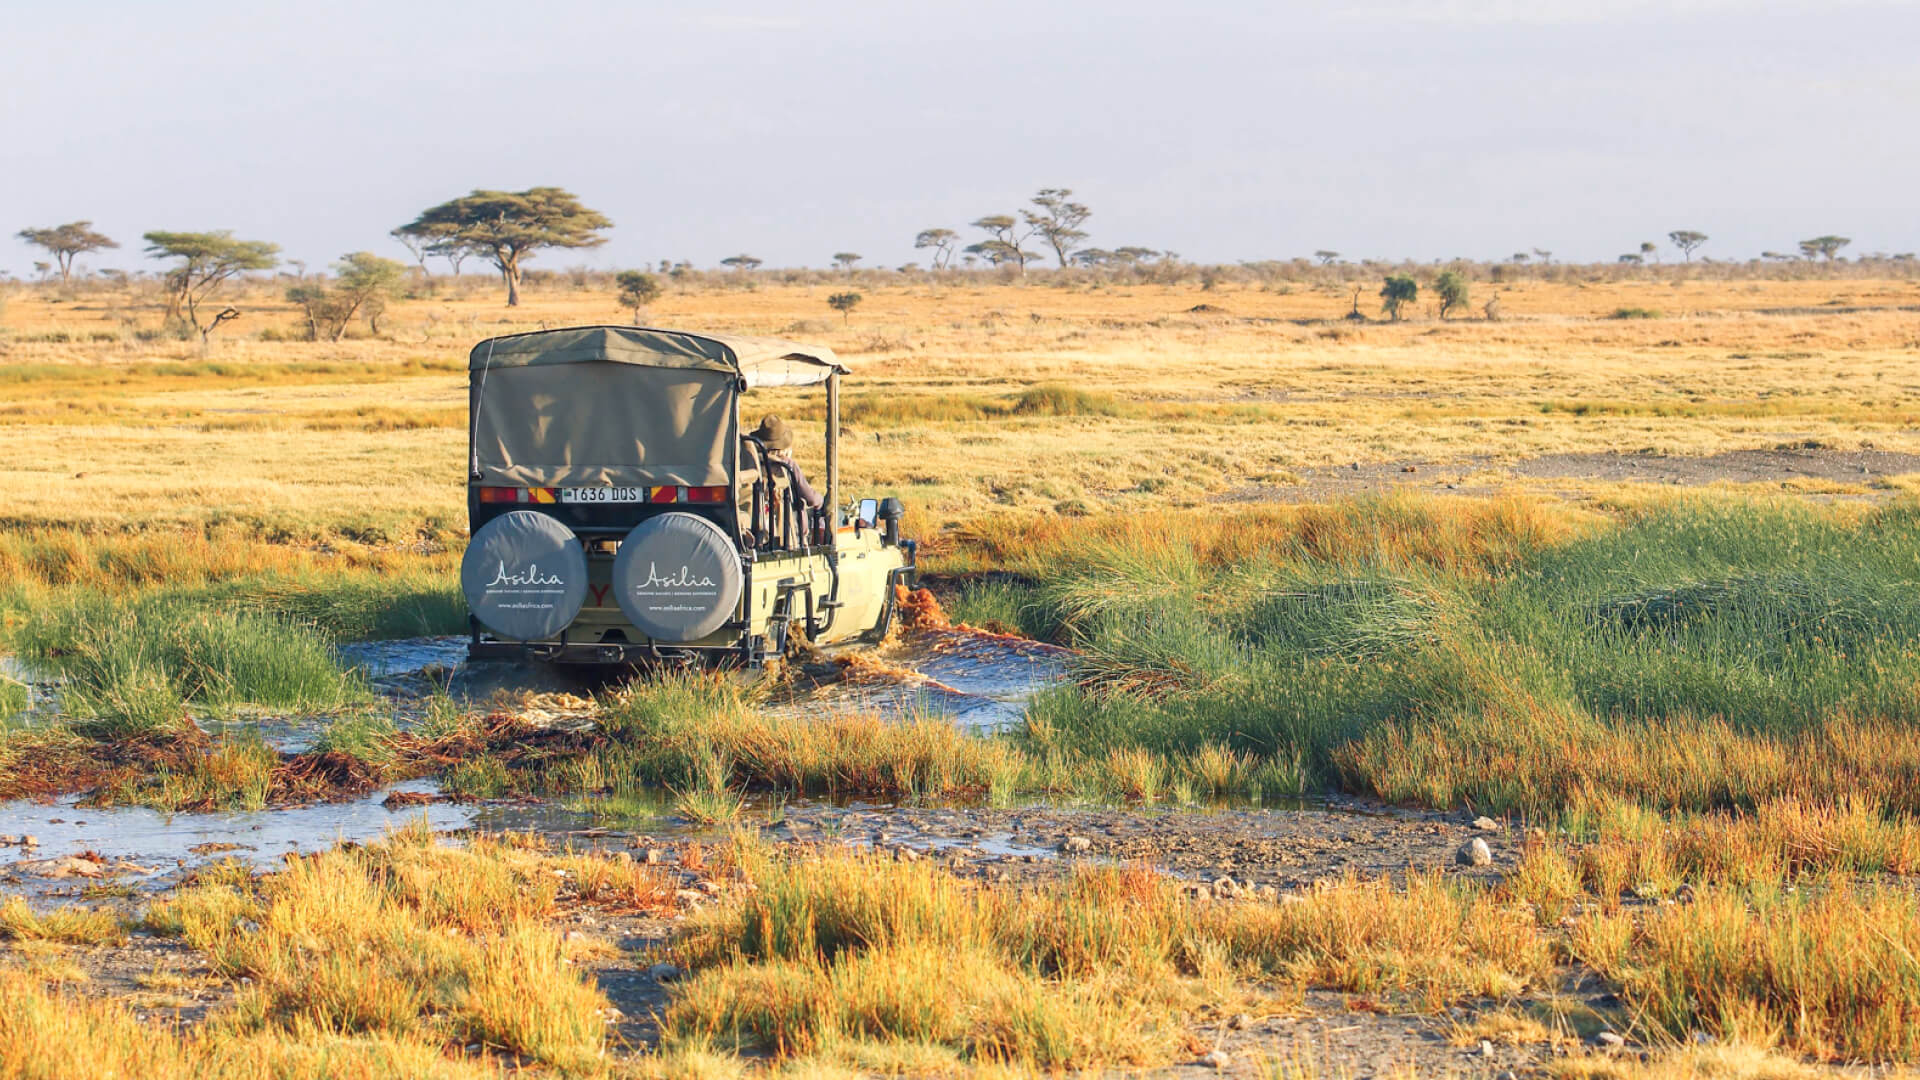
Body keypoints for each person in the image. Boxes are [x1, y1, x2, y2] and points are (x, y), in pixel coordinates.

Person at [750, 414, 821, 510]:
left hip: (757, 515)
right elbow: (811, 499)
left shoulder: (752, 461)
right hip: (786, 519)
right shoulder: (787, 464)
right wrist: (821, 500)